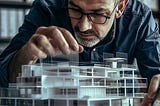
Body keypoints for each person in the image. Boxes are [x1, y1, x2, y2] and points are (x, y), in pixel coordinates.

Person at [0, 0, 159, 105]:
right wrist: (26, 55)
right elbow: (3, 77)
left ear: (121, 6)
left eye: (98, 14)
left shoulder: (139, 19)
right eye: (75, 9)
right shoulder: (46, 8)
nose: (83, 27)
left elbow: (156, 74)